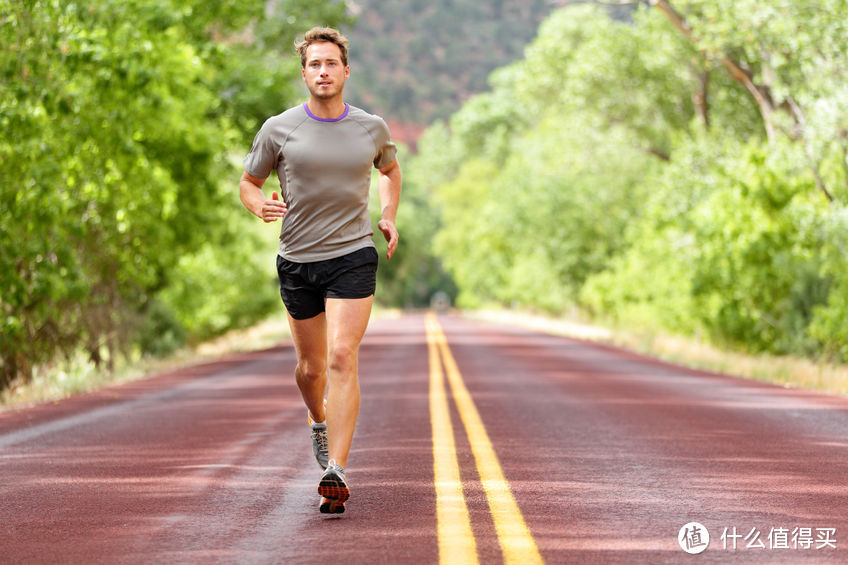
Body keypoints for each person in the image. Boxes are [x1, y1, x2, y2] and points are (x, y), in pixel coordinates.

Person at [239, 26, 401, 514]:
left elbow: (390, 170)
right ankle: (318, 420)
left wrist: (388, 215)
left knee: (341, 357)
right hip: (297, 261)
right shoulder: (279, 128)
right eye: (314, 64)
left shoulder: (371, 127)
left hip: (352, 255)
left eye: (331, 63)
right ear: (304, 72)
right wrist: (258, 207)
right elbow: (249, 182)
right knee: (311, 370)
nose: (323, 71)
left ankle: (337, 467)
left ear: (346, 71)